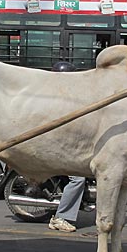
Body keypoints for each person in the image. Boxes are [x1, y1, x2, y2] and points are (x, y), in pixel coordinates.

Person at [48, 61, 86, 233]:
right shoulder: (55, 100)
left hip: (69, 145)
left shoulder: (66, 97)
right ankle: (60, 218)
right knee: (78, 179)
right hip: (58, 147)